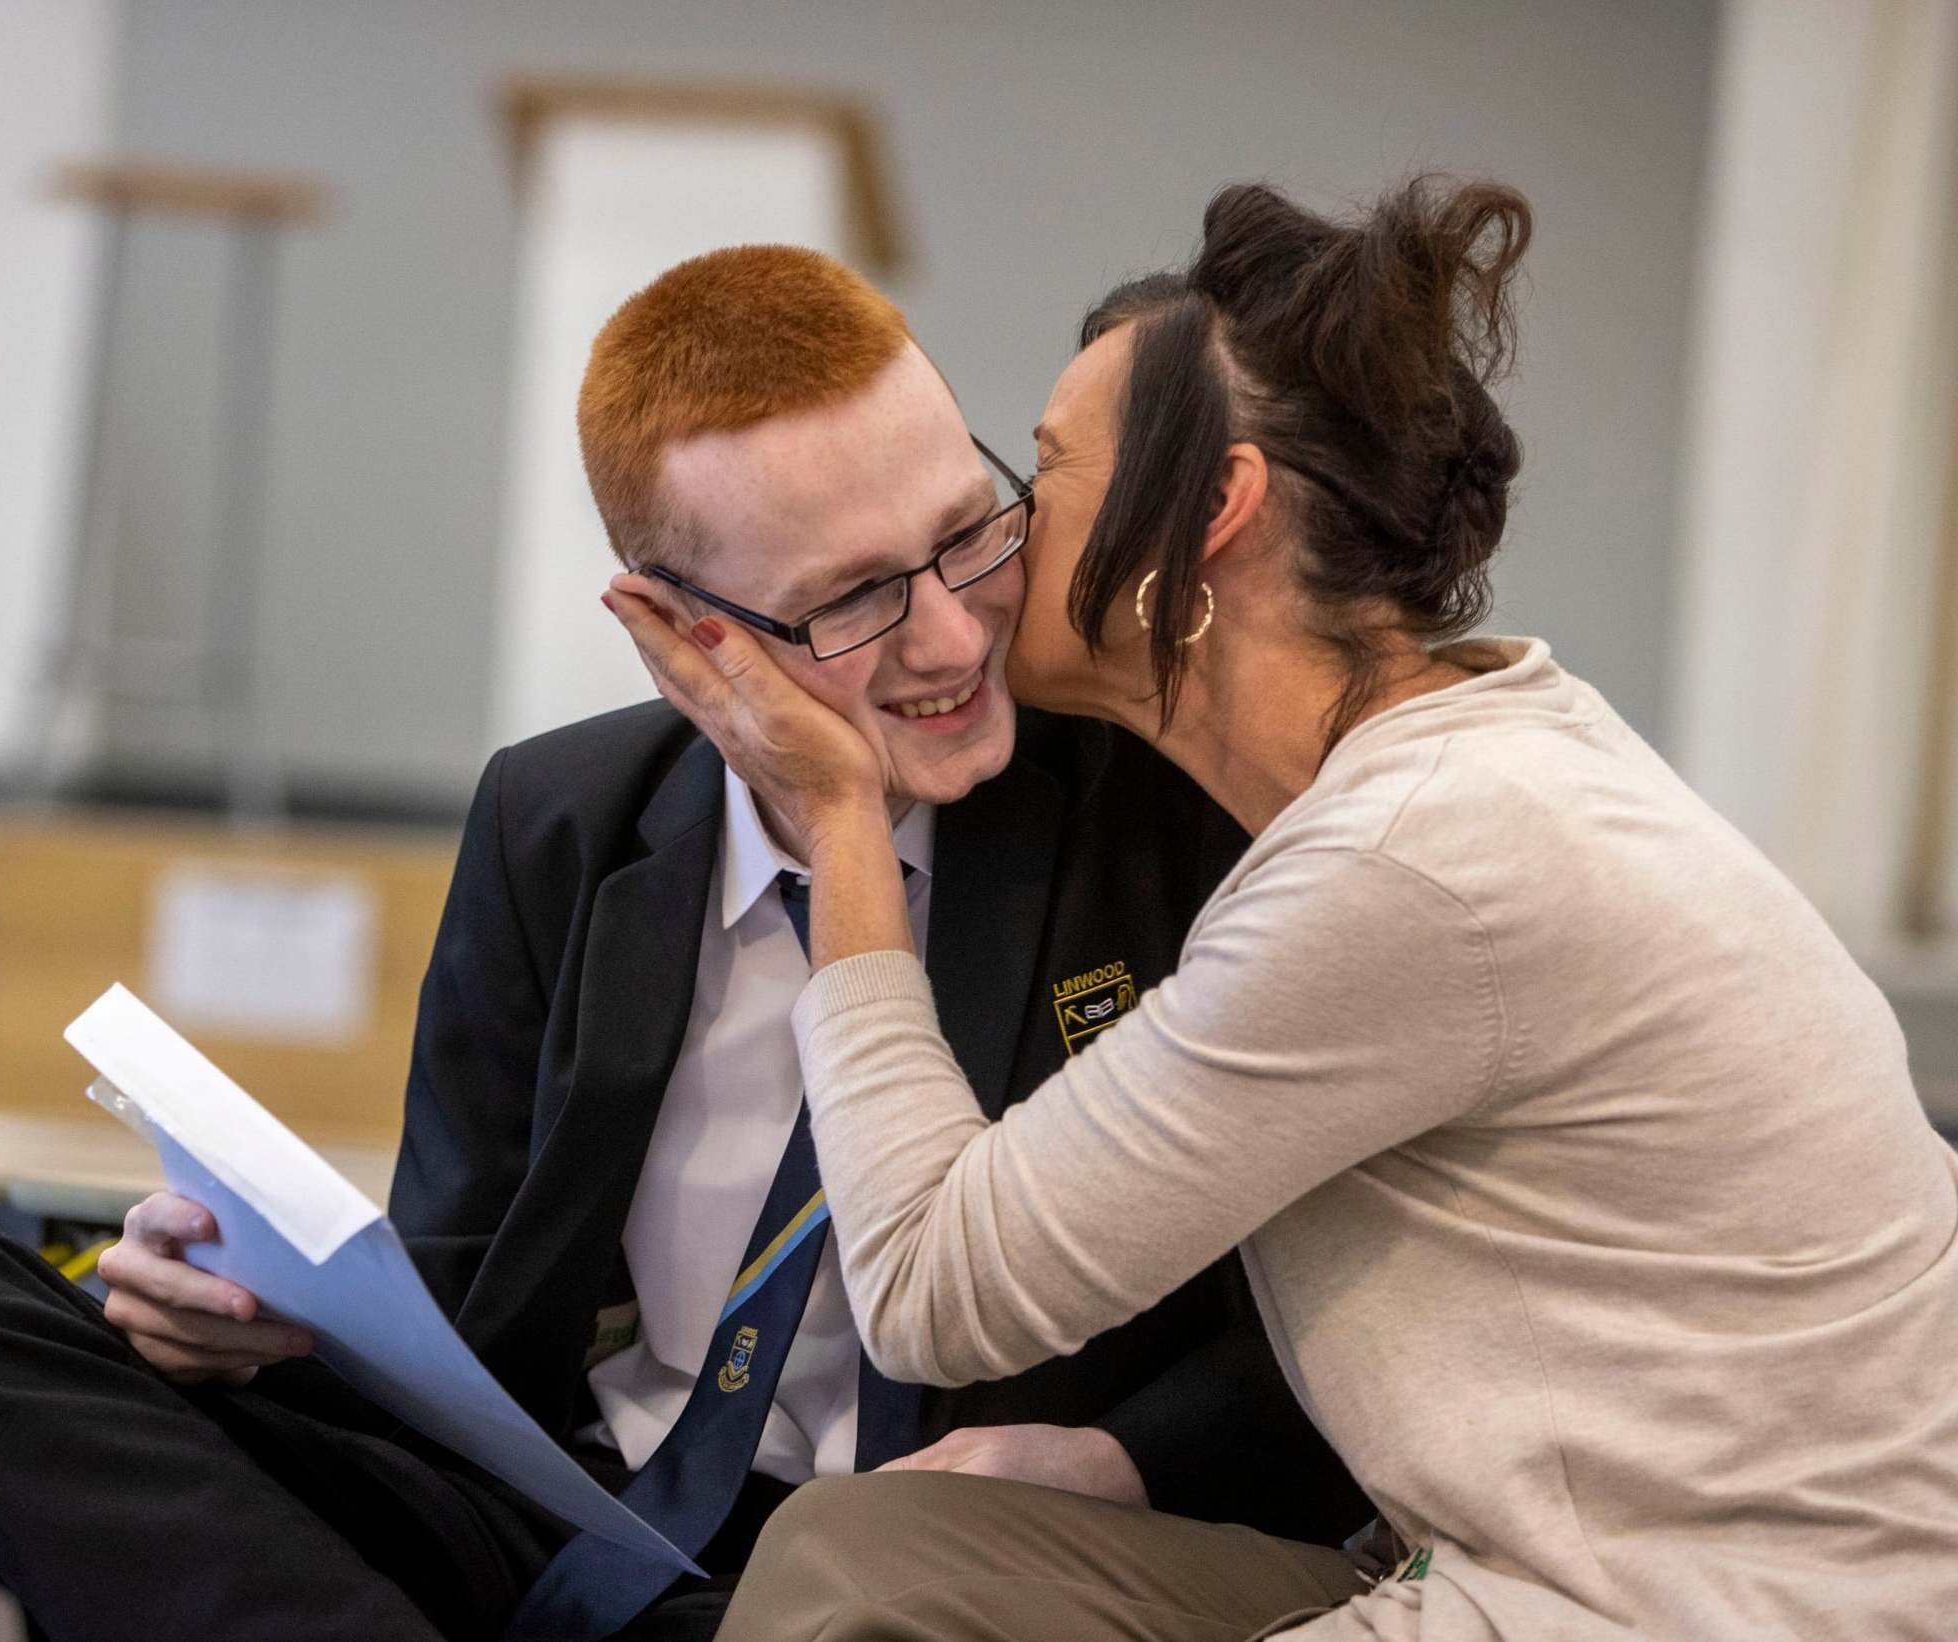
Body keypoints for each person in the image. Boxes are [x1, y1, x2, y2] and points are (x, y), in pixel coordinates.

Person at [0, 245, 1364, 1642]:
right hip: (562, 1508)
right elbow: (460, 1289)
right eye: (849, 605)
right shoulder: (556, 820)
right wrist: (247, 1318)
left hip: (896, 1571)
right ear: (682, 631)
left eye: (967, 536)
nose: (954, 639)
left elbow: (1317, 1337)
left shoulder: (1165, 809)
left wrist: (1109, 1459)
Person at [609, 180, 1958, 1642]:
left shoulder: (1414, 858)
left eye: (1041, 476)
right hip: (1505, 1555)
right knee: (863, 1551)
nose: (1000, 550)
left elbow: (935, 1284)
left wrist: (840, 821)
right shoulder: (1452, 771)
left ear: (1212, 512)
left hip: (1701, 1609)